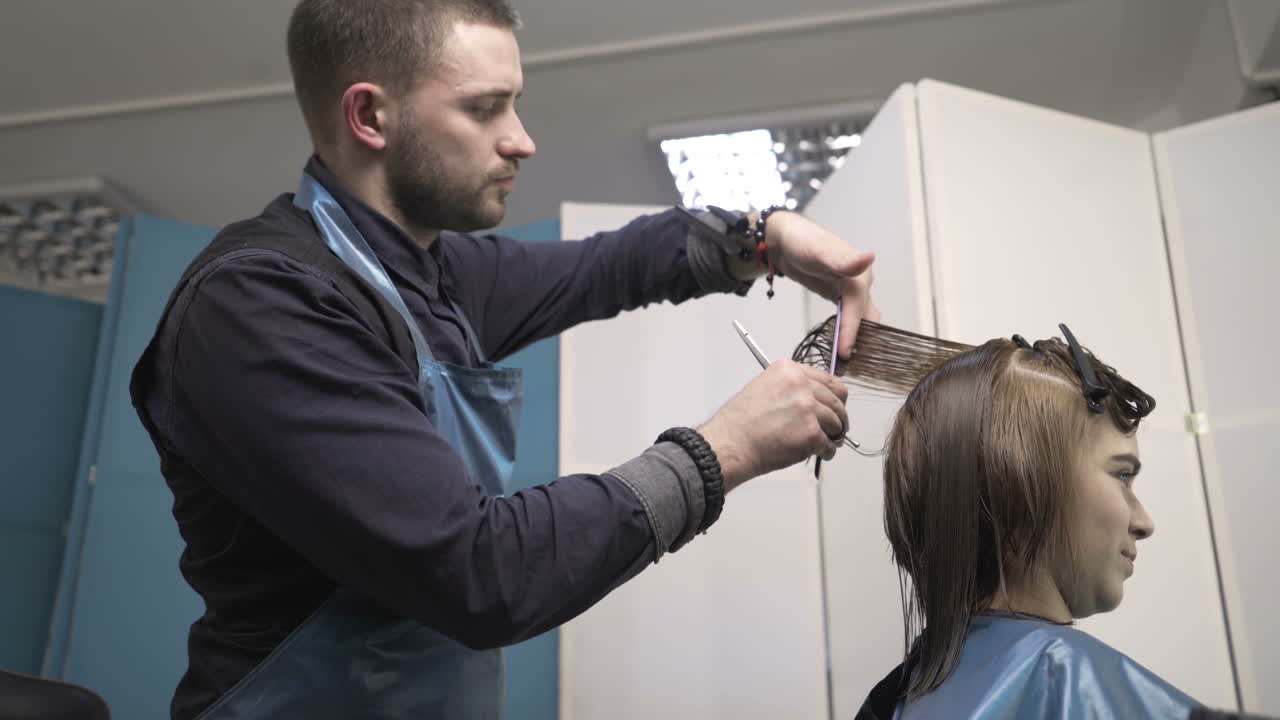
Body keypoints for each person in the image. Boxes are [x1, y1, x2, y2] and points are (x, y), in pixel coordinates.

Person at [127, 1, 879, 718]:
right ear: (368, 116)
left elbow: (613, 265)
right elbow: (482, 575)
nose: (521, 139)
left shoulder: (434, 274)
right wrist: (727, 449)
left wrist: (765, 235)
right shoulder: (261, 304)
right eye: (485, 109)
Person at [810, 321, 1249, 719]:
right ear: (1021, 483)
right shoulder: (1070, 685)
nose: (1144, 522)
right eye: (1122, 475)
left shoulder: (892, 703)